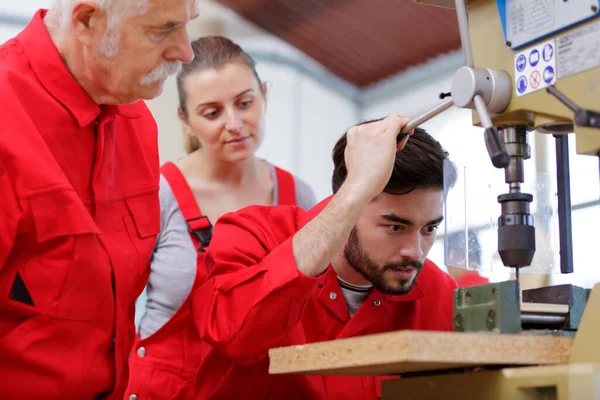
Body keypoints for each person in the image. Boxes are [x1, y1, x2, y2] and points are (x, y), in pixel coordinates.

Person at [0, 1, 196, 398]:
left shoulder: (138, 124)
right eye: (163, 29)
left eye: (187, 25)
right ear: (88, 21)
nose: (186, 51)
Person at [190, 115, 459, 399]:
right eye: (395, 227)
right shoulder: (253, 235)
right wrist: (356, 189)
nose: (415, 252)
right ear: (349, 202)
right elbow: (235, 335)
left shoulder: (441, 296)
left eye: (429, 229)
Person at [126, 36, 317, 400]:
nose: (235, 123)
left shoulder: (299, 197)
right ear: (185, 119)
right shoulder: (159, 194)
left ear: (264, 94)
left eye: (245, 103)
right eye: (212, 113)